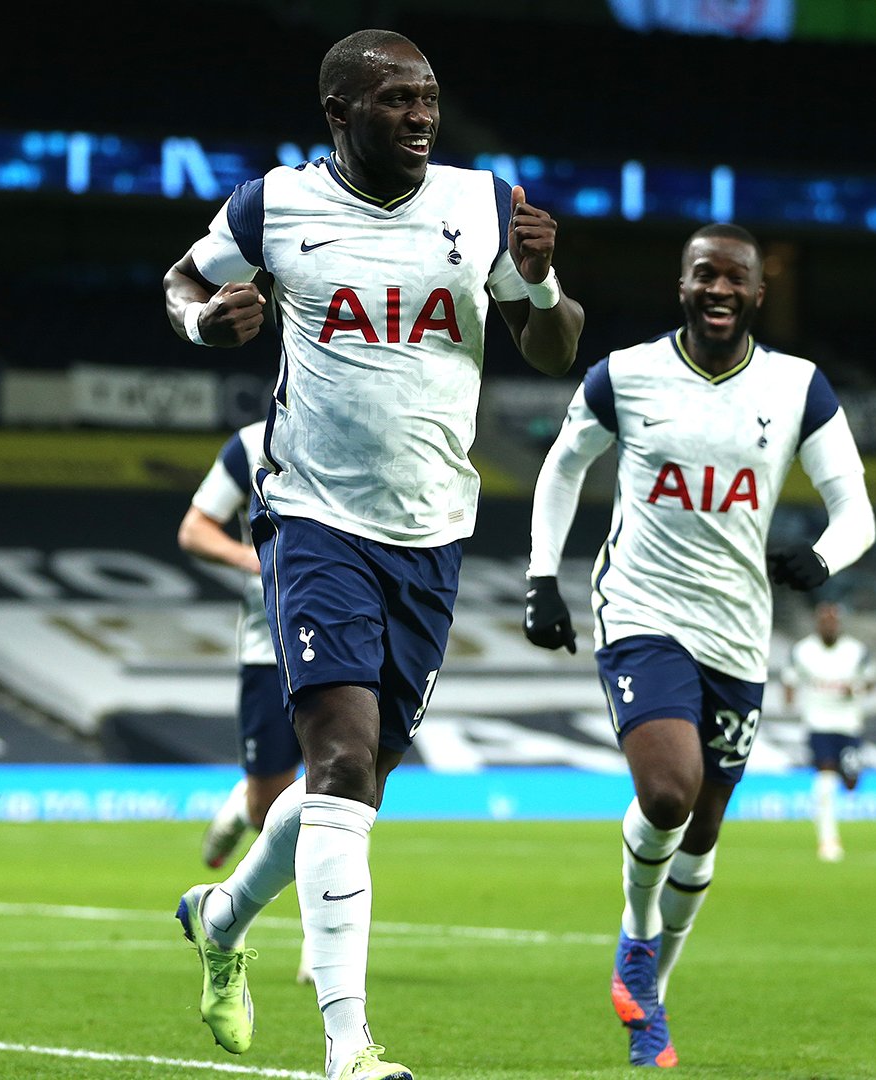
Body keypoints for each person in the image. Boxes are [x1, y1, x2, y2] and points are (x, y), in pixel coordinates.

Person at [163, 28, 584, 1080]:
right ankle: (349, 1049)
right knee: (343, 763)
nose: (421, 114)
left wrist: (533, 284)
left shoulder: (484, 205)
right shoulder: (274, 205)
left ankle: (219, 918)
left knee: (351, 781)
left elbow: (556, 342)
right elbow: (181, 281)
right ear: (340, 114)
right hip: (313, 520)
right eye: (396, 99)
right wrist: (209, 326)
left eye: (430, 97)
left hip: (433, 531)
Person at [524, 223, 874, 1067]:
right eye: (702, 275)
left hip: (738, 631)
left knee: (706, 829)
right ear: (680, 286)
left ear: (758, 293)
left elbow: (855, 508)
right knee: (670, 793)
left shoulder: (799, 388)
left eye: (735, 279)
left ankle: (653, 999)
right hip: (641, 610)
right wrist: (543, 577)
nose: (718, 290)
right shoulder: (628, 374)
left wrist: (822, 556)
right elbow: (564, 465)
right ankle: (637, 940)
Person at [181, 420, 315, 985]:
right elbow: (195, 530)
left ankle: (324, 941)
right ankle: (245, 803)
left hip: (349, 635)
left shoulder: (362, 420)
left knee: (342, 789)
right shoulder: (251, 442)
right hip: (269, 644)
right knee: (271, 809)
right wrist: (258, 563)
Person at [784, 602, 876, 864]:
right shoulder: (803, 650)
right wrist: (790, 701)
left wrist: (857, 689)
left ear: (839, 624)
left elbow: (871, 680)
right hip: (819, 724)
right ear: (817, 623)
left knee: (850, 783)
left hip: (849, 725)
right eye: (824, 621)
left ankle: (834, 830)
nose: (828, 625)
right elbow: (790, 679)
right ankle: (828, 841)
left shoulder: (855, 650)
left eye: (832, 621)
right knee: (825, 780)